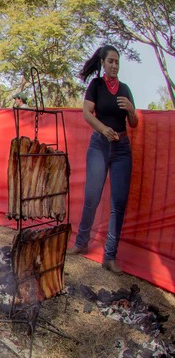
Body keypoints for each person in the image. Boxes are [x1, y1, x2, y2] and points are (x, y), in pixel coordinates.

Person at [67, 44, 139, 273]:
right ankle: (81, 243)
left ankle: (110, 256)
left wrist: (131, 110)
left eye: (117, 62)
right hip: (99, 145)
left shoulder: (126, 89)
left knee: (118, 203)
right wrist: (103, 129)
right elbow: (86, 112)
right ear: (103, 63)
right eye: (110, 61)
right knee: (92, 197)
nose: (114, 65)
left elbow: (134, 123)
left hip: (122, 149)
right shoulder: (96, 85)